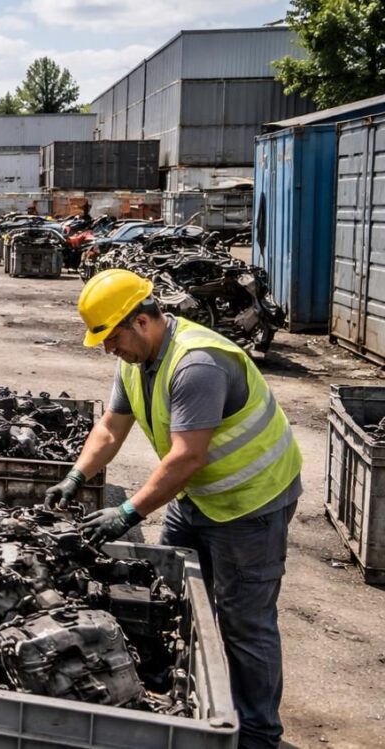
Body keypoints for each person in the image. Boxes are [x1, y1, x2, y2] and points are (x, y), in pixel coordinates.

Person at [46, 268, 301, 749]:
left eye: (111, 337)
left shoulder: (196, 364)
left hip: (251, 503)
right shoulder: (135, 361)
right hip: (197, 497)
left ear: (141, 322)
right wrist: (76, 477)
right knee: (167, 596)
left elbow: (186, 456)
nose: (108, 348)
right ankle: (183, 697)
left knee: (244, 623)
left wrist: (127, 514)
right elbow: (110, 429)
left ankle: (260, 735)